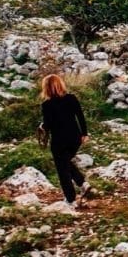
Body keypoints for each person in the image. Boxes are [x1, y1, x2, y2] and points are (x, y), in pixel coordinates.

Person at [40, 73, 90, 207]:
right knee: (66, 162)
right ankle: (82, 183)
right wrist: (84, 133)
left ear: (47, 88)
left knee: (62, 170)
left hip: (59, 141)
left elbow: (49, 125)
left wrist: (42, 126)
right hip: (75, 138)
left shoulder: (47, 105)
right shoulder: (71, 98)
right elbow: (80, 116)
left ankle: (71, 199)